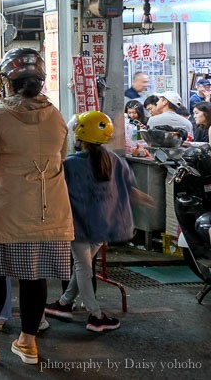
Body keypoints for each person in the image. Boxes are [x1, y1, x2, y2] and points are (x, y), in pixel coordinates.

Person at [0, 47, 73, 366]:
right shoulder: (55, 114)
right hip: (48, 212)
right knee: (34, 278)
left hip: (5, 210)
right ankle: (28, 343)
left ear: (7, 81)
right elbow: (62, 155)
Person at [45, 111, 142, 333]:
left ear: (78, 136)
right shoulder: (116, 160)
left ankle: (95, 314)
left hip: (77, 225)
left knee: (82, 267)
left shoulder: (69, 164)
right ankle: (64, 303)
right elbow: (129, 188)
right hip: (105, 226)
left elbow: (57, 193)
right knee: (84, 267)